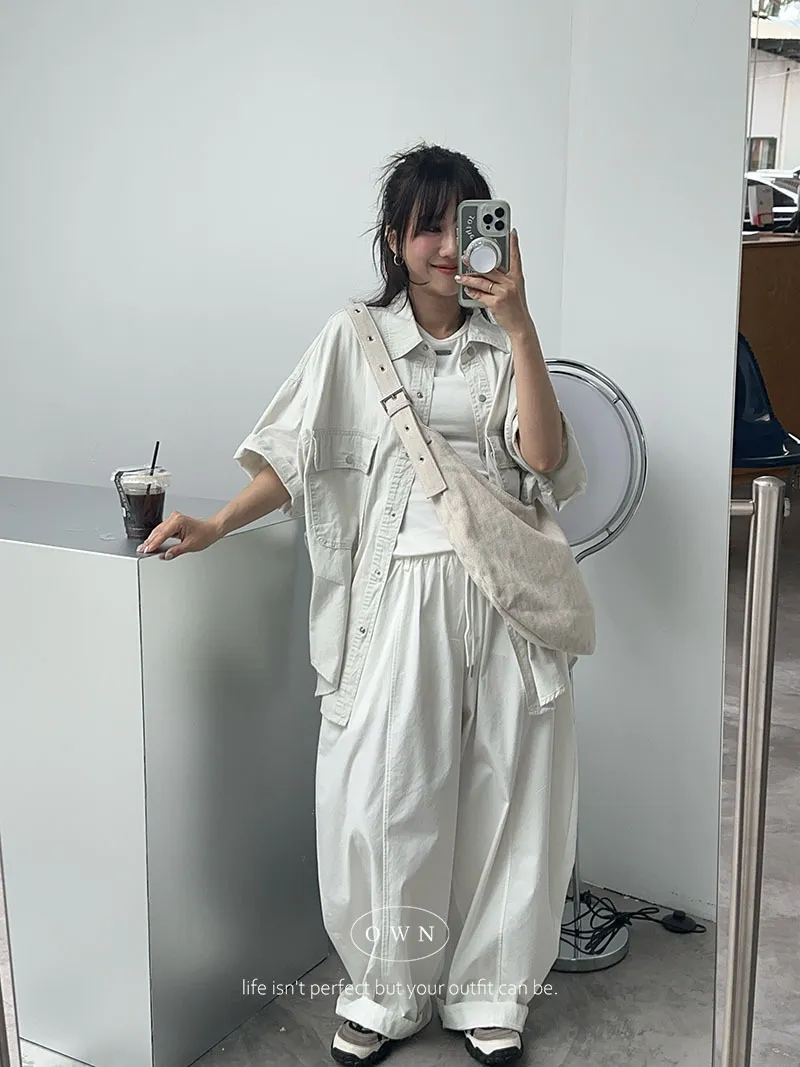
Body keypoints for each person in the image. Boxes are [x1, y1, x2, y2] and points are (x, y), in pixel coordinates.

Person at [139, 143, 587, 1067]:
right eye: (427, 227)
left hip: (505, 595)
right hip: (399, 592)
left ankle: (490, 989)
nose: (446, 246)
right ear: (393, 238)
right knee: (389, 791)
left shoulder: (504, 339)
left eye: (462, 224)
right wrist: (218, 523)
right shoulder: (355, 337)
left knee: (511, 789)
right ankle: (389, 987)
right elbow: (296, 456)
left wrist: (523, 325)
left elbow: (544, 460)